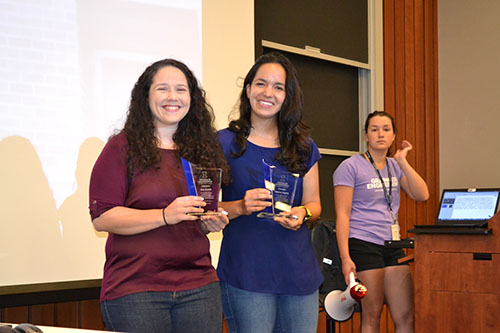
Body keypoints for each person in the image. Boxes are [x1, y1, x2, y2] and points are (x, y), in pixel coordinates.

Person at [88, 58, 231, 333]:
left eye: (181, 89)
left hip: (199, 286)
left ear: (192, 98)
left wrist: (209, 222)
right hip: (136, 290)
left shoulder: (203, 150)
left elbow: (198, 216)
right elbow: (103, 218)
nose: (172, 97)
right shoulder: (121, 147)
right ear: (146, 96)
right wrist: (164, 216)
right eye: (162, 88)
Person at [217, 52, 323, 333]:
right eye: (261, 83)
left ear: (288, 96)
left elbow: (315, 204)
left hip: (299, 273)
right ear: (248, 88)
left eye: (278, 87)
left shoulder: (304, 146)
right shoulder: (222, 142)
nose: (268, 93)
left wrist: (304, 213)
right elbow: (204, 210)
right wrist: (240, 206)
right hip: (246, 273)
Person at [333, 111, 429, 333]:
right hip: (363, 243)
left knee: (405, 315)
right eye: (374, 129)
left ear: (394, 135)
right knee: (372, 314)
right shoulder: (350, 166)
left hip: (392, 245)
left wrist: (402, 161)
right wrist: (345, 257)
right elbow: (342, 214)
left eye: (386, 129)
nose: (380, 134)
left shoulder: (395, 167)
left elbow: (422, 194)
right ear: (366, 135)